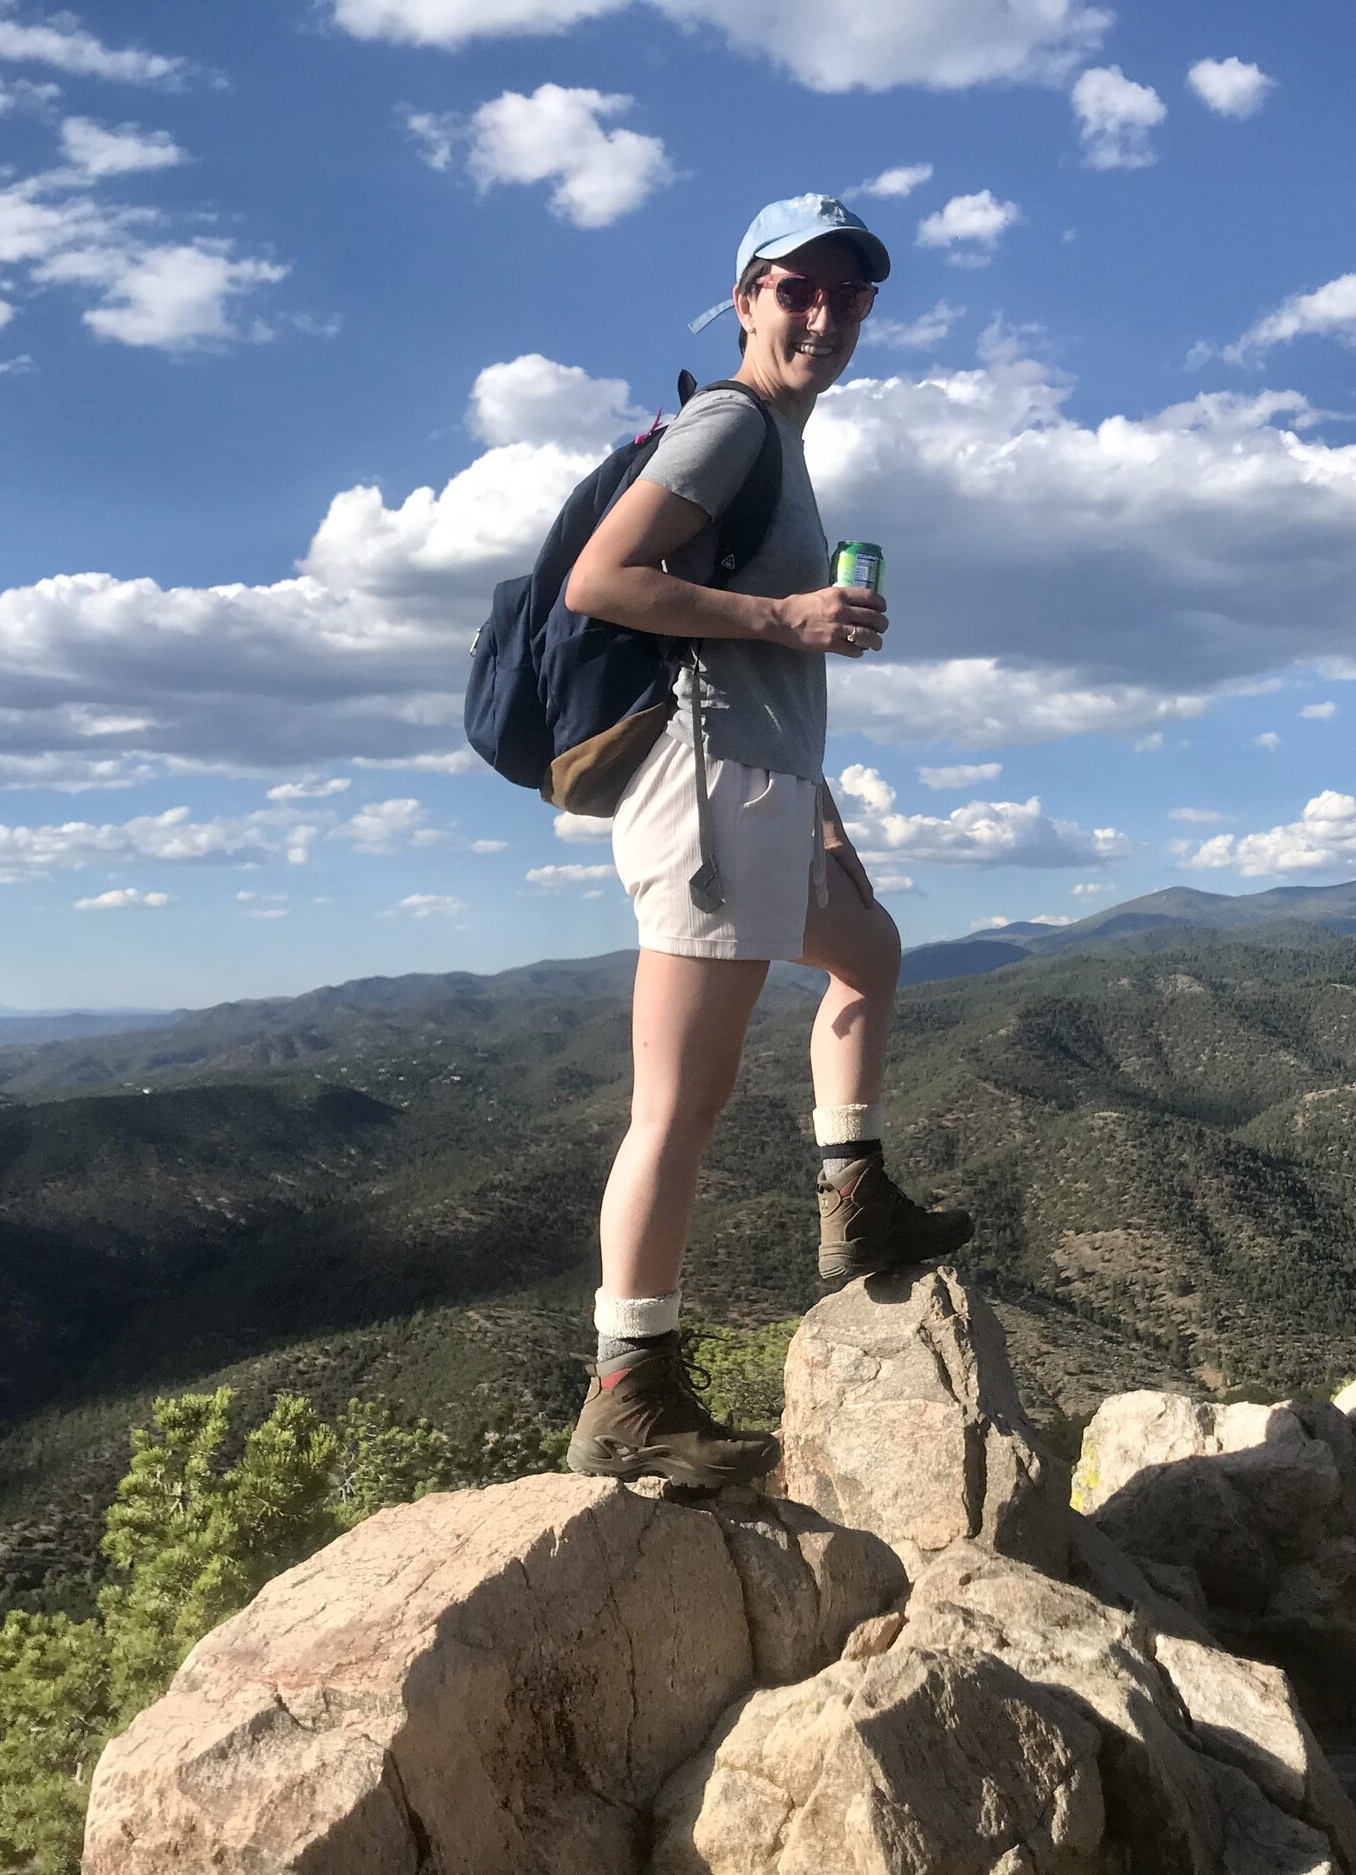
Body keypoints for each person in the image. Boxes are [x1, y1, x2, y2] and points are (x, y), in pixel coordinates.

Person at [560, 194, 972, 1487]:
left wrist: (820, 796)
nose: (825, 316)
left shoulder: (780, 444)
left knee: (870, 951)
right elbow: (603, 579)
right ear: (745, 298)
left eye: (849, 297)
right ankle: (628, 1390)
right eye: (798, 289)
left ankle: (854, 1206)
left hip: (767, 782)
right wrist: (789, 618)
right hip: (706, 788)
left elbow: (755, 649)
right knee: (681, 1101)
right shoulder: (729, 424)